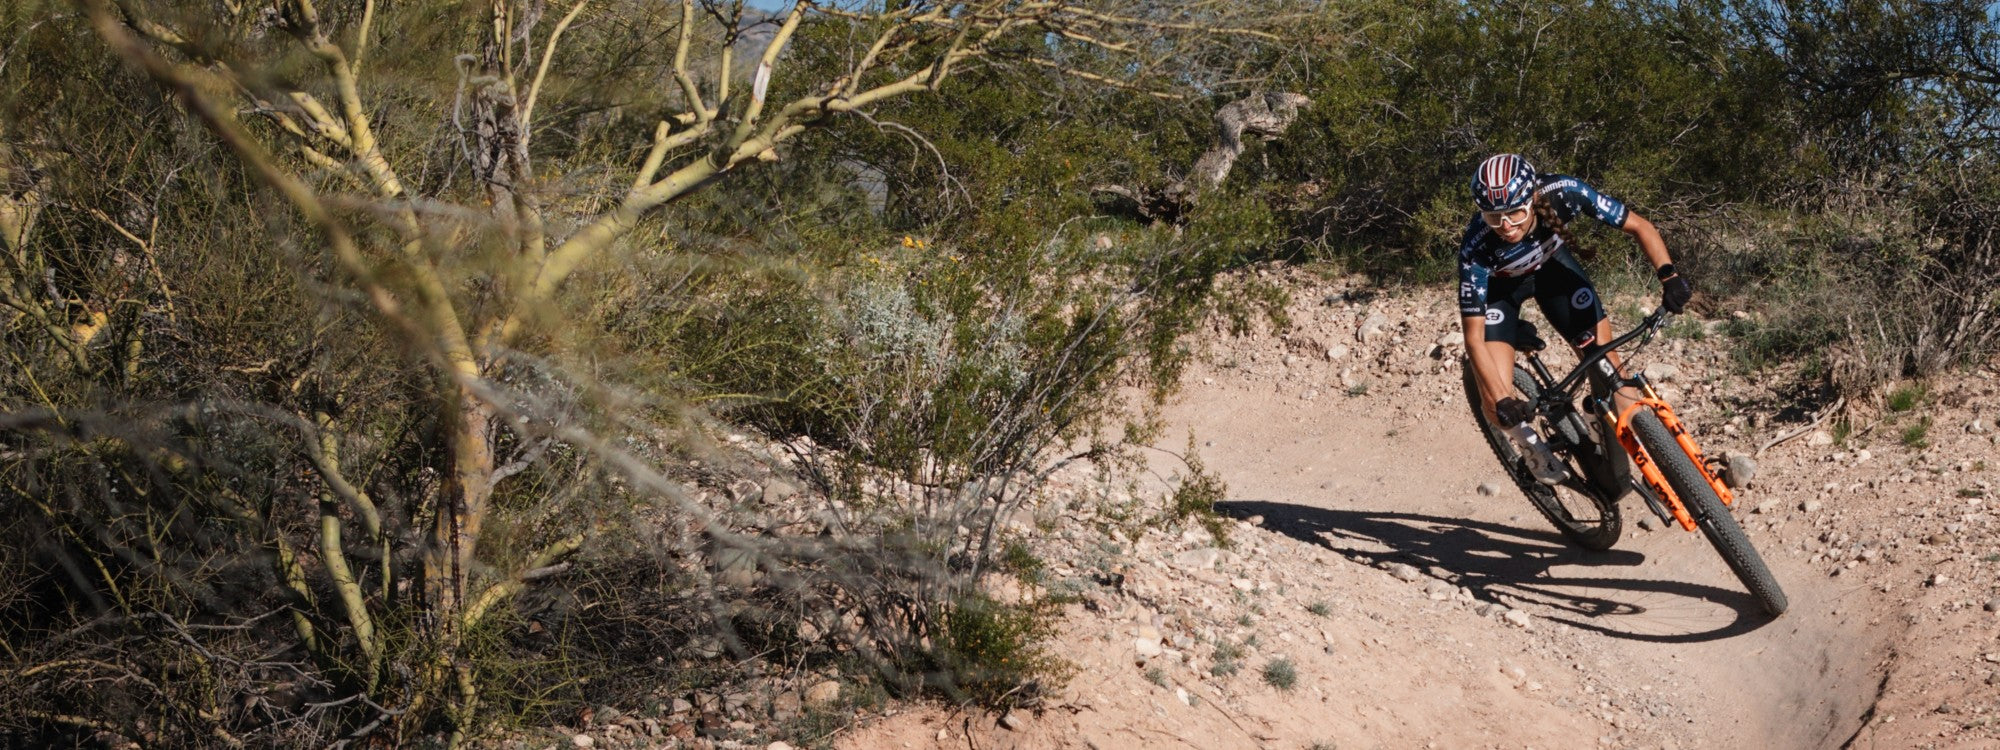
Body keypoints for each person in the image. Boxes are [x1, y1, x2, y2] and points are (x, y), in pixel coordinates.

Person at [1458, 153, 1693, 484]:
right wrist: (1503, 400)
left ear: (1533, 198)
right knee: (1494, 398)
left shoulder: (1564, 191)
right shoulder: (1476, 246)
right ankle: (1532, 449)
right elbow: (1473, 338)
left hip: (1554, 271)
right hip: (1501, 292)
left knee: (1610, 368)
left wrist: (1669, 276)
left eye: (1515, 212)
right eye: (1493, 217)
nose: (1506, 226)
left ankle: (1653, 459)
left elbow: (1639, 226)